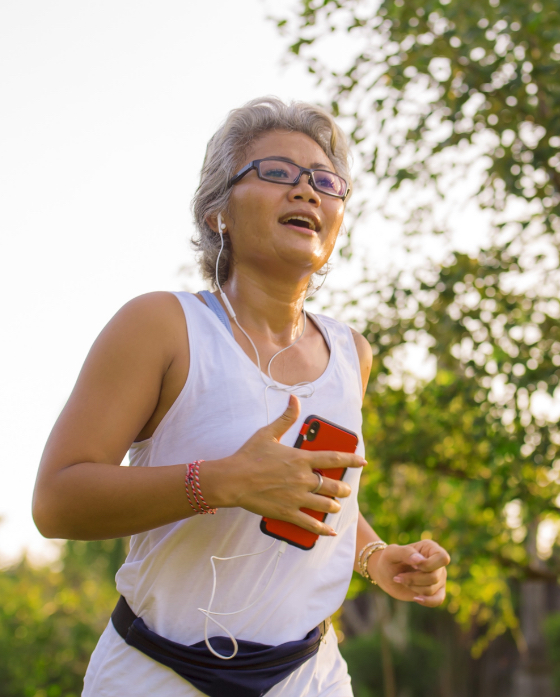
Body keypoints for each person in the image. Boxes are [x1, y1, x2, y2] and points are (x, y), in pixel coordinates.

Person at [33, 96, 450, 697]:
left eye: (325, 182)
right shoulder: (161, 326)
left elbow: (324, 496)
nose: (307, 191)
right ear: (217, 213)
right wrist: (221, 482)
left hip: (309, 677)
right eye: (277, 172)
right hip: (156, 673)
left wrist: (376, 557)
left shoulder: (352, 352)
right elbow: (56, 501)